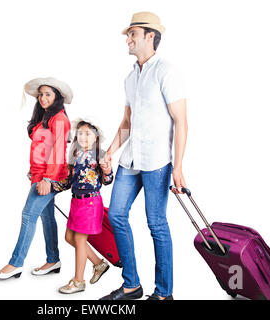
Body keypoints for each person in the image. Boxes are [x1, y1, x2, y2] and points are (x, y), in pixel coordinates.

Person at [100, 12, 188, 300]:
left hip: (157, 161)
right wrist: (110, 153)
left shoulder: (166, 71)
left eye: (132, 34)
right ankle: (131, 285)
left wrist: (179, 166)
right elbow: (126, 121)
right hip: (131, 160)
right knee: (116, 215)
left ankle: (164, 293)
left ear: (150, 36)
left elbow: (181, 121)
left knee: (156, 223)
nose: (128, 39)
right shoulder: (130, 76)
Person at [0, 77, 72, 279]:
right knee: (46, 217)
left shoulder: (60, 119)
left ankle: (16, 263)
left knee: (28, 215)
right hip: (38, 175)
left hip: (50, 178)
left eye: (48, 94)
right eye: (41, 94)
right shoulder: (44, 118)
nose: (43, 98)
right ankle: (53, 260)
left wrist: (48, 179)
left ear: (57, 97)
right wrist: (35, 171)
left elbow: (58, 151)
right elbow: (40, 149)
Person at [52, 117, 114, 294]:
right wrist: (52, 186)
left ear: (95, 136)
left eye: (87, 133)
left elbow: (107, 180)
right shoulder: (75, 155)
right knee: (70, 238)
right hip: (76, 202)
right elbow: (68, 181)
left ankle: (79, 281)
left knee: (80, 240)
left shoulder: (100, 155)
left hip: (90, 202)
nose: (83, 137)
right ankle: (99, 263)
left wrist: (107, 171)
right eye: (80, 134)